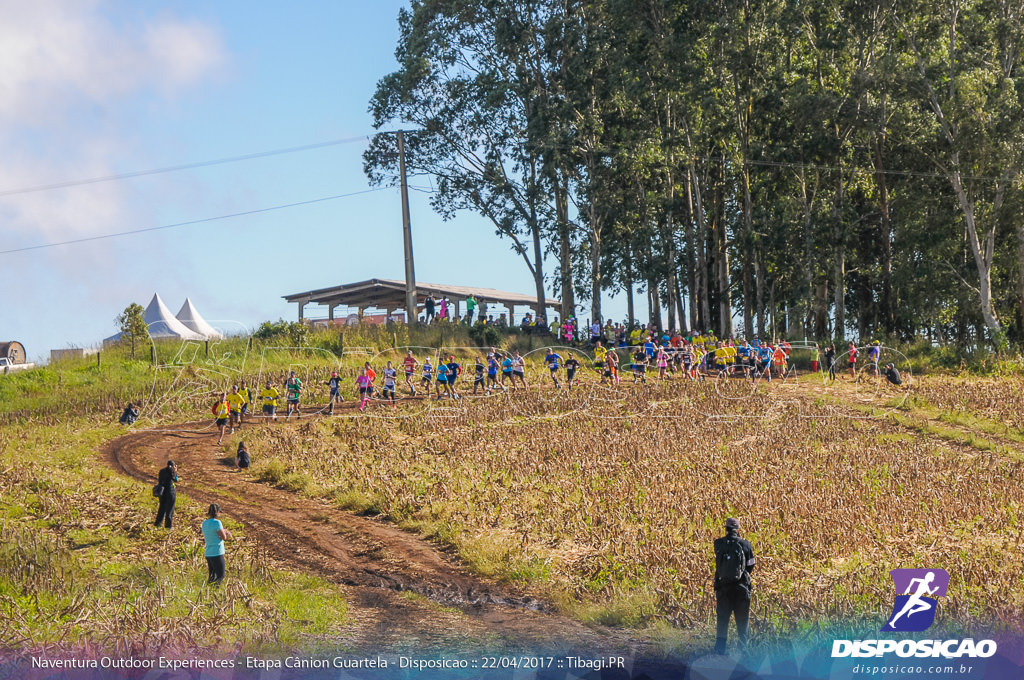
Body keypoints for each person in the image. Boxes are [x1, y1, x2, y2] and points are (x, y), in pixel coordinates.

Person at [713, 517, 756, 654]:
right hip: (741, 589)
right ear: (738, 530)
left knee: (722, 621)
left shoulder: (718, 544)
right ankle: (743, 652)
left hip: (723, 589)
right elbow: (751, 565)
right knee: (742, 623)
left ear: (726, 529)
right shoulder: (746, 545)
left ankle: (720, 651)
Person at [202, 503, 232, 584]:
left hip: (208, 553)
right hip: (217, 552)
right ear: (218, 512)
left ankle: (208, 593)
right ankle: (216, 591)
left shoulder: (204, 523)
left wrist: (223, 530)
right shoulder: (217, 523)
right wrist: (227, 534)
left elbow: (212, 532)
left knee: (212, 577)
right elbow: (223, 537)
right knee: (220, 576)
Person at [154, 460, 178, 528]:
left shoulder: (162, 471)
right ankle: (168, 526)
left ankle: (158, 524)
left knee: (162, 509)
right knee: (170, 511)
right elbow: (176, 479)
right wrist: (175, 471)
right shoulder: (172, 472)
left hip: (162, 492)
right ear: (173, 466)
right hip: (170, 493)